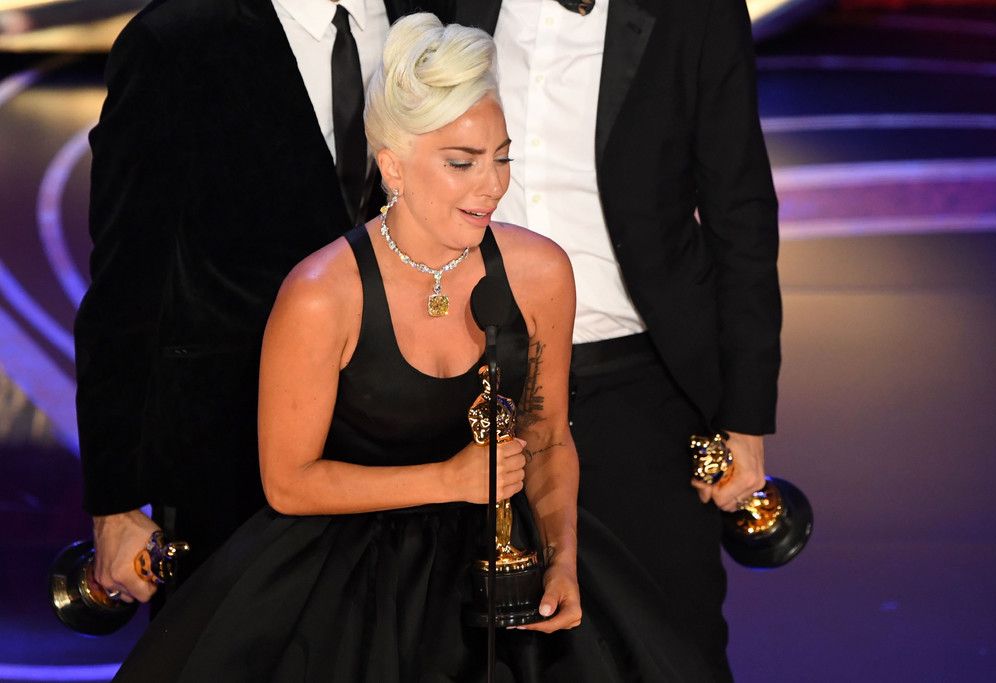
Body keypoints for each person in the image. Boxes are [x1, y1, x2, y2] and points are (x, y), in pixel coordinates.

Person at [111, 14, 713, 681]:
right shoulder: (320, 294)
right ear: (393, 167)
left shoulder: (540, 272)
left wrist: (561, 558)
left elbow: (546, 438)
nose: (492, 185)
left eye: (502, 157)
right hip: (347, 582)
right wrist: (448, 480)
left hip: (501, 563)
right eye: (462, 162)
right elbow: (288, 482)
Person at [443, 1, 783, 679]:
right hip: (473, 382)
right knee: (487, 652)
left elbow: (739, 207)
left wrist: (745, 416)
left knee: (669, 647)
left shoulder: (696, 13)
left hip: (641, 381)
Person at [75, 0, 421, 605]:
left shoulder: (429, 15)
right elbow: (127, 279)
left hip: (407, 466)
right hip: (231, 468)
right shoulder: (176, 40)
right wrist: (115, 502)